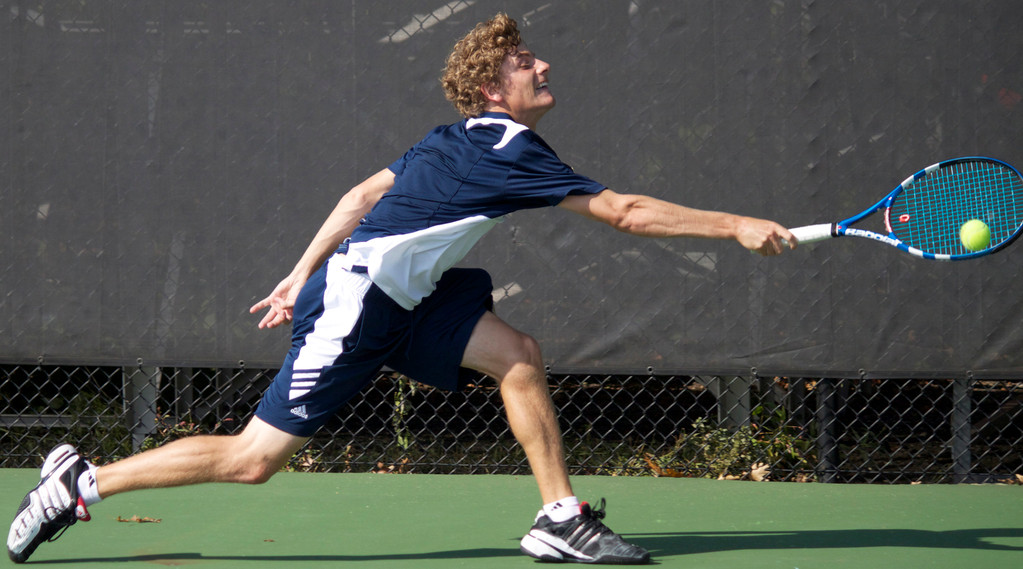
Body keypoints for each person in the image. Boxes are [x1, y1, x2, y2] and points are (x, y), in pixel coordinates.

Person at [7, 13, 796, 565]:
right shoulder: (505, 148)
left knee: (517, 354)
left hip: (407, 293)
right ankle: (79, 484)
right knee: (254, 459)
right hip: (359, 304)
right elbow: (623, 212)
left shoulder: (450, 138)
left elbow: (359, 197)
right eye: (525, 61)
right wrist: (733, 225)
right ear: (492, 85)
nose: (542, 64)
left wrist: (296, 270)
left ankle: (560, 517)